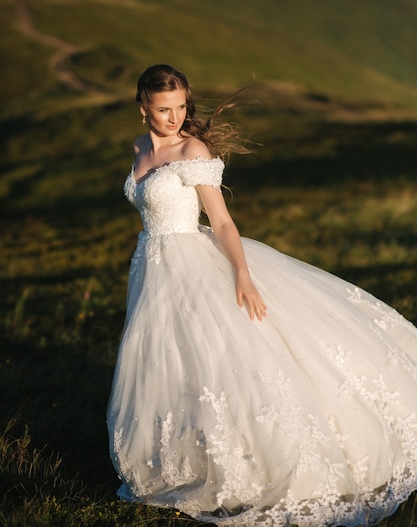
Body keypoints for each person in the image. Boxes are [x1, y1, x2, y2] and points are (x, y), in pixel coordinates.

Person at [107, 64, 417, 526]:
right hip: (153, 270)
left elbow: (224, 222)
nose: (174, 118)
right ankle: (187, 456)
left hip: (194, 262)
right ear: (143, 108)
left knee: (227, 356)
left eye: (181, 108)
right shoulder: (138, 149)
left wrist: (242, 276)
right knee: (171, 360)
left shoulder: (191, 150)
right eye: (163, 109)